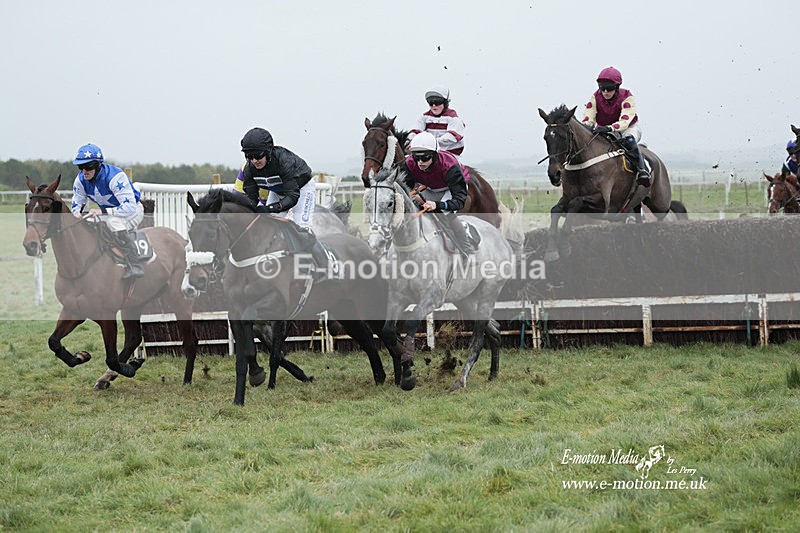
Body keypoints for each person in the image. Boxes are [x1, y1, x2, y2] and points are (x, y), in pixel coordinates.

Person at [234, 127, 328, 277]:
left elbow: (292, 197)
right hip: (278, 191)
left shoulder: (284, 161)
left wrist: (271, 207)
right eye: (249, 156)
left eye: (258, 155)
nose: (254, 161)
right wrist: (253, 209)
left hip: (301, 189)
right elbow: (251, 198)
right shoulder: (249, 169)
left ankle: (325, 265)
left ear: (268, 152)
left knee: (301, 228)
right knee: (271, 226)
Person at [70, 143, 145, 279]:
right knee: (88, 222)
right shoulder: (80, 180)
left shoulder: (115, 177)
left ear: (99, 165)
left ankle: (134, 264)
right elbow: (77, 202)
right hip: (110, 212)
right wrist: (76, 213)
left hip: (132, 211)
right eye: (81, 167)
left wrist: (103, 211)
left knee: (113, 223)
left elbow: (129, 207)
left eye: (88, 167)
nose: (84, 171)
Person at [403, 131, 475, 254]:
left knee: (444, 213)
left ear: (434, 154)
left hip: (451, 188)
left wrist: (438, 205)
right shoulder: (410, 163)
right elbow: (408, 188)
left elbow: (459, 201)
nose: (420, 162)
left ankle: (466, 250)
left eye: (425, 157)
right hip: (430, 187)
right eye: (416, 157)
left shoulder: (450, 166)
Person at [581, 67, 651, 187]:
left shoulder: (627, 96)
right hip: (604, 129)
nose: (605, 92)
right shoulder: (595, 97)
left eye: (609, 88)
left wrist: (610, 128)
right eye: (602, 88)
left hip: (627, 128)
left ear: (617, 87)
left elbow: (625, 120)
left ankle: (642, 170)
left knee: (628, 139)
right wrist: (585, 128)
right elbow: (588, 117)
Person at [407, 87, 466, 156]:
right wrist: (409, 140)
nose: (434, 105)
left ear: (445, 102)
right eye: (430, 102)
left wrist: (427, 143)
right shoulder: (424, 117)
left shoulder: (454, 119)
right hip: (428, 153)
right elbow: (415, 131)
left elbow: (451, 138)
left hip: (449, 155)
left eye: (437, 102)